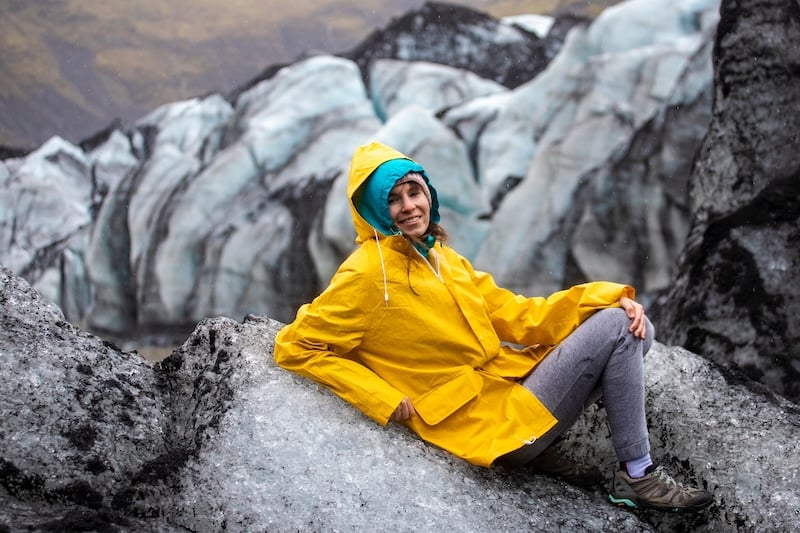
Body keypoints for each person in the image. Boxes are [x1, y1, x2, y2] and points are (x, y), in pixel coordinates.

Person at [274, 141, 713, 513]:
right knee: (622, 330)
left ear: (429, 194)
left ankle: (540, 453)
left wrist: (608, 297)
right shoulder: (367, 274)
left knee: (639, 329)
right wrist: (380, 396)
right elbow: (295, 345)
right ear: (373, 208)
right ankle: (637, 476)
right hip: (475, 422)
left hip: (500, 393)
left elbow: (520, 315)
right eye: (394, 198)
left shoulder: (443, 259)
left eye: (415, 191)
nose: (409, 206)